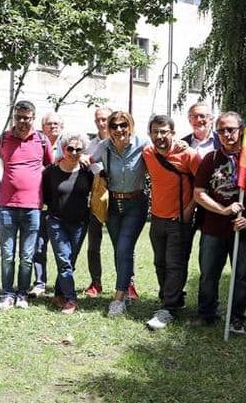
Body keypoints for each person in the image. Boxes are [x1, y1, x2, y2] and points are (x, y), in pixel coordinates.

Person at [192, 112, 246, 334]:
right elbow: (199, 193)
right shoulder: (211, 159)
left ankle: (237, 318)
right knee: (208, 273)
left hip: (244, 230)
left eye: (231, 129)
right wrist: (223, 210)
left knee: (241, 276)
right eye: (221, 130)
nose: (226, 134)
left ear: (242, 130)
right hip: (213, 229)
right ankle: (206, 313)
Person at [0, 100, 53, 310]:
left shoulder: (42, 140)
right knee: (7, 254)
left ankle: (22, 293)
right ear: (13, 117)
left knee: (27, 256)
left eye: (27, 118)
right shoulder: (3, 139)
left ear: (33, 118)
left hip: (33, 207)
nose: (22, 122)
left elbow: (51, 168)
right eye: (19, 117)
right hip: (6, 206)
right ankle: (7, 294)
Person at [141, 115, 200, 330]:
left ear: (173, 133)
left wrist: (189, 208)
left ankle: (169, 308)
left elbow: (202, 186)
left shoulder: (189, 154)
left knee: (175, 264)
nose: (159, 136)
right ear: (150, 134)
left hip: (179, 220)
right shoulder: (147, 153)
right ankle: (172, 298)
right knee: (160, 262)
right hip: (157, 218)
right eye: (155, 131)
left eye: (164, 131)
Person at [91, 111, 148, 317]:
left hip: (136, 203)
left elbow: (162, 155)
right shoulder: (104, 146)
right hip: (113, 204)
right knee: (119, 249)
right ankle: (127, 286)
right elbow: (88, 160)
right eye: (114, 126)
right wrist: (98, 171)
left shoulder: (143, 144)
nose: (118, 130)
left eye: (123, 125)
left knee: (124, 246)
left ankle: (118, 298)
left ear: (130, 125)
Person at [42, 133, 93, 314]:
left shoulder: (87, 172)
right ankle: (71, 299)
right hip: (57, 222)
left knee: (70, 261)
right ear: (63, 149)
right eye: (70, 148)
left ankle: (58, 294)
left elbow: (97, 190)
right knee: (64, 259)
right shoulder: (51, 171)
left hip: (80, 223)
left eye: (78, 149)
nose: (73, 152)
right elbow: (45, 196)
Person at [29, 112, 66, 298]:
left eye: (56, 123)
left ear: (62, 126)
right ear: (42, 127)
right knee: (39, 245)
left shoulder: (68, 145)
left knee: (63, 248)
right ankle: (40, 282)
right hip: (39, 203)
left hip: (61, 204)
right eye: (49, 123)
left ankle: (63, 283)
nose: (53, 126)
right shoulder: (37, 144)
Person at [82, 106, 111, 298]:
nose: (102, 123)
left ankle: (128, 284)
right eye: (98, 119)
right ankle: (96, 282)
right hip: (94, 198)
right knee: (93, 244)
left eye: (105, 119)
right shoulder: (89, 146)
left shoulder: (121, 142)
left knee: (123, 244)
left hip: (117, 196)